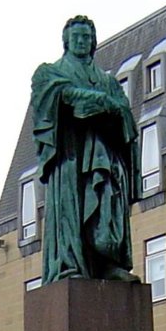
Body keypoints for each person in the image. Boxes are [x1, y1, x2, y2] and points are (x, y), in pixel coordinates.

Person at [31, 15, 141, 284]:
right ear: (66, 42)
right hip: (69, 157)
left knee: (107, 207)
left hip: (104, 155)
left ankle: (109, 263)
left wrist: (106, 107)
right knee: (71, 214)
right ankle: (69, 266)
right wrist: (99, 102)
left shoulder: (108, 82)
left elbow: (125, 116)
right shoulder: (49, 73)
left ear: (93, 43)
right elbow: (58, 97)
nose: (82, 41)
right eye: (76, 37)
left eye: (87, 37)